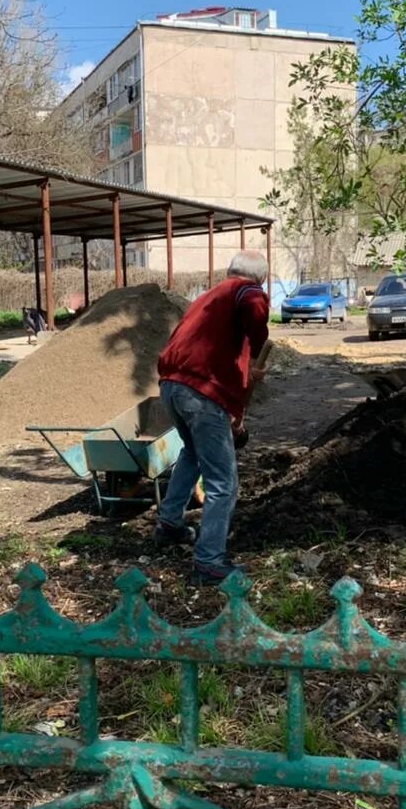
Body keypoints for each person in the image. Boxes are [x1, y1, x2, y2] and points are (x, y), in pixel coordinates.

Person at [153, 250, 270, 584]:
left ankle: (170, 523)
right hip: (200, 392)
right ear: (258, 278)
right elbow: (254, 307)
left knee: (191, 453)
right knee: (223, 482)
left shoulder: (207, 298)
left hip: (172, 388)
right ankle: (208, 561)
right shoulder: (246, 292)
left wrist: (246, 376)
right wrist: (259, 342)